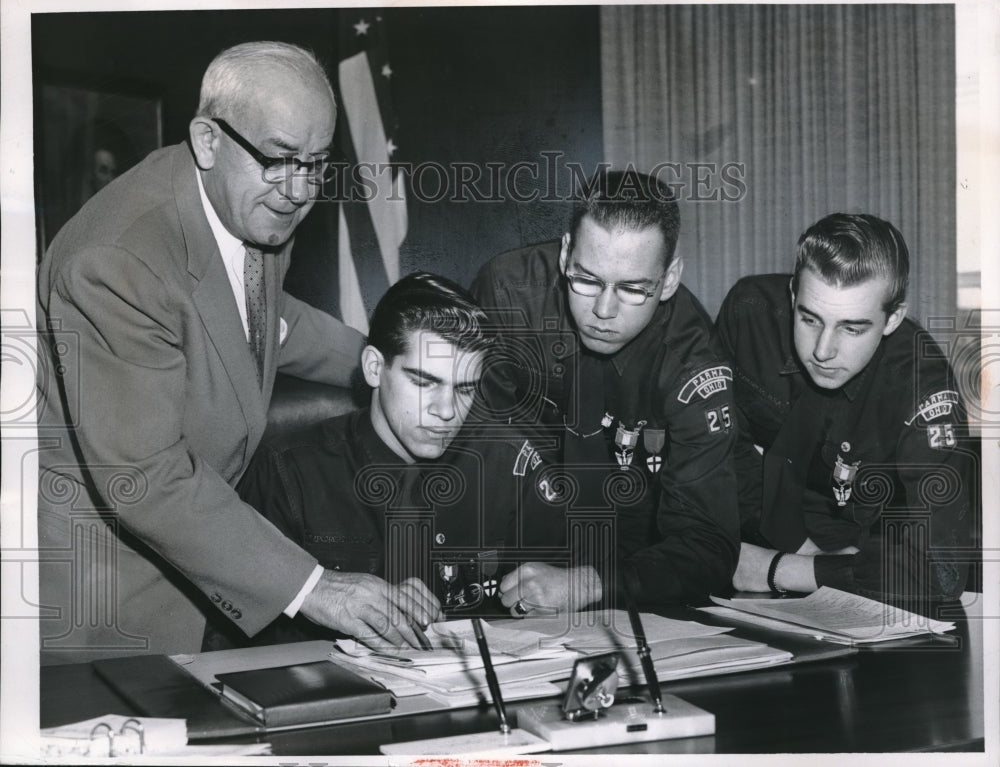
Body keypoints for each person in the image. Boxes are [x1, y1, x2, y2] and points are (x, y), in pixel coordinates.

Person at [35, 41, 432, 664]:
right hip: (102, 607)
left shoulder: (246, 203)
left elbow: (266, 320)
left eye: (317, 163)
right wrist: (314, 587)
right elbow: (148, 481)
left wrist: (390, 366)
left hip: (204, 570)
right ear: (207, 140)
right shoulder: (118, 262)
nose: (298, 189)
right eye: (279, 159)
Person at [469, 169, 741, 615]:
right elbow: (470, 458)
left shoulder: (692, 360)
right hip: (508, 540)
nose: (603, 310)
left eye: (633, 289)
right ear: (564, 254)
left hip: (626, 566)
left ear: (669, 279)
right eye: (587, 279)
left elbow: (709, 546)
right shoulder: (508, 293)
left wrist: (587, 584)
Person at [206, 272, 516, 647]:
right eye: (424, 382)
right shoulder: (288, 472)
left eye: (465, 389)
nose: (447, 410)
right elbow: (232, 639)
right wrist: (351, 614)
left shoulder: (501, 463)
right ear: (373, 368)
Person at [714, 213, 972, 606]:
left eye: (852, 328)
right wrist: (794, 551)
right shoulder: (748, 313)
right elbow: (723, 447)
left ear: (893, 318)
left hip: (864, 556)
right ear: (792, 294)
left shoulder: (923, 387)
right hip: (753, 527)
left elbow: (942, 570)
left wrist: (780, 569)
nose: (822, 350)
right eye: (809, 318)